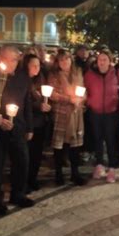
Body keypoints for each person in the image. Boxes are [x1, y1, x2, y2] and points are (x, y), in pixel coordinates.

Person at [0, 45, 35, 215]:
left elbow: (27, 103)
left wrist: (29, 126)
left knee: (22, 161)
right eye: (5, 59)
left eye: (13, 60)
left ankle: (18, 193)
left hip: (18, 127)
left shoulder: (23, 77)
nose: (10, 63)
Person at [85, 50, 119, 183]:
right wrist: (86, 101)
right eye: (99, 60)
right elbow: (83, 90)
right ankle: (99, 164)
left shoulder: (116, 74)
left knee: (110, 140)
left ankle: (112, 167)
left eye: (105, 59)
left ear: (110, 61)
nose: (102, 62)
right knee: (97, 139)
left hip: (111, 113)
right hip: (95, 112)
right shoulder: (89, 74)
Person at [48, 49, 87, 186]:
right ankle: (59, 174)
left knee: (75, 146)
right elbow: (52, 94)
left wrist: (80, 99)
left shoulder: (77, 73)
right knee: (60, 146)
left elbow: (83, 90)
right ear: (58, 62)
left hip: (76, 114)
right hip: (61, 114)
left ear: (71, 60)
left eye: (67, 59)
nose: (64, 62)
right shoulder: (54, 76)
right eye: (61, 60)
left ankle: (74, 173)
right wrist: (69, 99)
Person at [24, 54, 52, 192]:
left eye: (38, 65)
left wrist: (47, 105)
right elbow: (25, 103)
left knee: (36, 154)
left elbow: (46, 97)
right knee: (26, 155)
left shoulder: (41, 79)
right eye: (33, 65)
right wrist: (38, 107)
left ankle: (33, 178)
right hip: (28, 123)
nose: (36, 68)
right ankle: (24, 181)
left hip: (40, 122)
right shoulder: (22, 81)